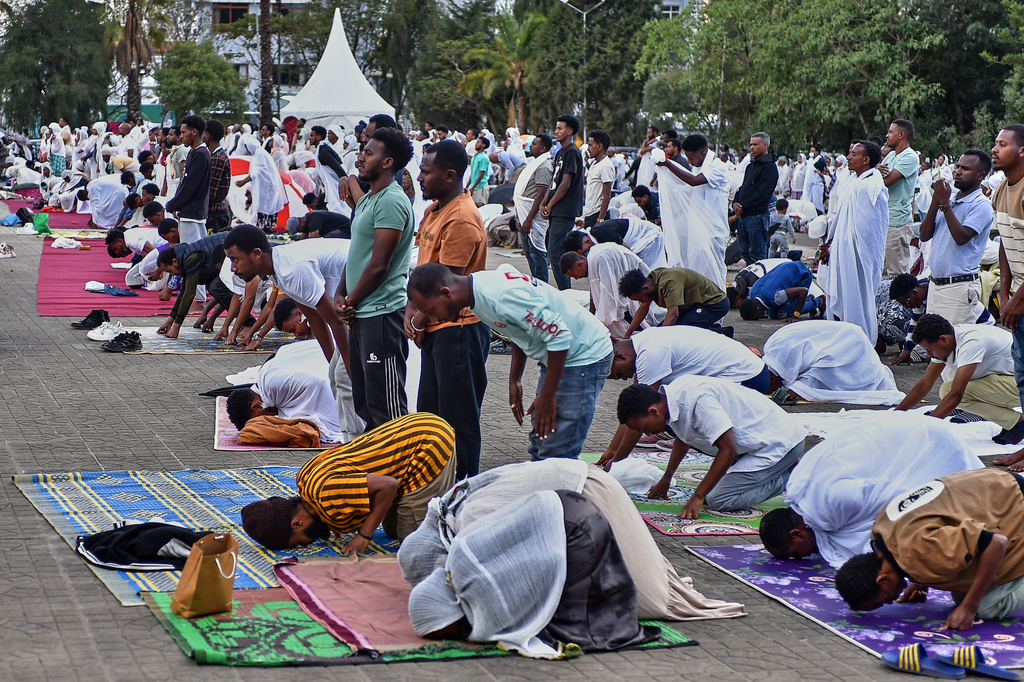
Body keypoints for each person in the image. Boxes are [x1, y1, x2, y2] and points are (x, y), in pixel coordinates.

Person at [400, 459, 745, 628]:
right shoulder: (449, 511)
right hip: (568, 511)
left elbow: (518, 574)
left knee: (651, 603)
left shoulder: (470, 523)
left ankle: (657, 578)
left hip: (591, 493)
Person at [405, 490, 659, 657]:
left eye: (442, 631)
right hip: (567, 505)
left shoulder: (475, 584)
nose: (449, 636)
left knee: (565, 621)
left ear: (445, 610)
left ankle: (611, 627)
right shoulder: (458, 559)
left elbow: (499, 622)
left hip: (574, 528)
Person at [408, 263, 612, 461]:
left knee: (558, 449)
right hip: (559, 357)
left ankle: (561, 489)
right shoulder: (475, 291)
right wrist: (515, 378)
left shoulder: (500, 296)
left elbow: (559, 337)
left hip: (583, 355)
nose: (433, 318)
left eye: (431, 311)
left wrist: (548, 396)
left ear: (445, 293)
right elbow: (516, 327)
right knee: (541, 439)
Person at [759, 413, 983, 568]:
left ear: (797, 534)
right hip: (907, 430)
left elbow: (897, 503)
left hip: (928, 441)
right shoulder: (797, 490)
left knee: (961, 495)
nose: (805, 556)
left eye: (797, 554)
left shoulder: (829, 505)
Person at [834, 468, 1024, 632]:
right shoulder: (880, 532)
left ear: (883, 579)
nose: (892, 602)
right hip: (995, 486)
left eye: (885, 600)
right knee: (961, 591)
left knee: (986, 607)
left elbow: (996, 544)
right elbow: (930, 522)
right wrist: (920, 579)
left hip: (1013, 503)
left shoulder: (920, 552)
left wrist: (969, 607)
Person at [240, 413, 456, 554]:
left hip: (428, 443)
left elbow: (388, 485)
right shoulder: (305, 482)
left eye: (300, 542)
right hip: (414, 429)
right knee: (392, 530)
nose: (308, 543)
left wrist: (364, 536)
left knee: (415, 548)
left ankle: (468, 520)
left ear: (296, 523)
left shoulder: (327, 494)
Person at [223, 225, 364, 438]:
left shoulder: (292, 269)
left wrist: (349, 371)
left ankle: (359, 443)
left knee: (345, 380)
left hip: (372, 279)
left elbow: (335, 323)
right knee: (337, 374)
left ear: (257, 254)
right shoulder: (279, 271)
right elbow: (315, 318)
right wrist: (331, 362)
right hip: (353, 293)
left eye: (235, 259)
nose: (233, 267)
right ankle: (356, 439)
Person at [405, 140, 489, 479]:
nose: (420, 178)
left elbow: (447, 286)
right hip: (436, 326)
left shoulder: (462, 218)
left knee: (459, 422)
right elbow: (424, 269)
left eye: (427, 172)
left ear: (450, 175)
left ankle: (463, 488)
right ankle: (435, 485)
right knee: (431, 416)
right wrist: (412, 310)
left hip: (459, 328)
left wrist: (419, 317)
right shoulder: (435, 209)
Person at [616, 378, 806, 515]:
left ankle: (789, 476)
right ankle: (779, 469)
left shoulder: (697, 401)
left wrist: (698, 496)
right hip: (754, 444)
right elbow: (684, 436)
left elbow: (728, 450)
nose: (648, 434)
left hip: (780, 443)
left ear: (653, 411)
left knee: (718, 499)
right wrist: (667, 476)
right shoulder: (671, 399)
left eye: (644, 428)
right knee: (710, 491)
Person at [337, 127, 416, 431]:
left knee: (387, 407)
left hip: (381, 315)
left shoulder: (392, 202)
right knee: (366, 402)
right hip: (361, 313)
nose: (361, 157)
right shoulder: (370, 199)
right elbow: (357, 254)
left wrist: (351, 300)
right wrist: (339, 294)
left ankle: (398, 473)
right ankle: (377, 471)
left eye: (369, 153)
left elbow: (379, 264)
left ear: (387, 162)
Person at [598, 326, 770, 467]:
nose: (625, 378)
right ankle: (737, 458)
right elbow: (633, 412)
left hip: (747, 375)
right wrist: (613, 450)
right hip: (745, 370)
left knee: (675, 418)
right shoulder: (644, 341)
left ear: (620, 357)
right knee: (676, 417)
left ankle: (749, 461)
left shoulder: (651, 353)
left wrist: (617, 463)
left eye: (619, 374)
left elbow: (640, 411)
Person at [896, 314, 1024, 439]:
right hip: (1013, 381)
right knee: (947, 390)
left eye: (930, 350)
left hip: (1020, 384)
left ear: (943, 339)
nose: (929, 355)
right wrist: (896, 415)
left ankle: (1017, 422)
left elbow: (956, 395)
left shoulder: (971, 342)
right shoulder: (947, 341)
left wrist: (928, 428)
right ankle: (1014, 422)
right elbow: (925, 384)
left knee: (954, 393)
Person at [821, 140, 888, 344]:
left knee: (860, 295)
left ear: (865, 160)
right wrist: (831, 242)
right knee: (843, 294)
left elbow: (873, 230)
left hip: (859, 255)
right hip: (843, 250)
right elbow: (842, 216)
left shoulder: (872, 187)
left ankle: (862, 342)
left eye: (854, 154)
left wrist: (856, 251)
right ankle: (843, 340)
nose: (848, 157)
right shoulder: (853, 181)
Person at [917, 150, 994, 327]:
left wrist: (945, 205)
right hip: (936, 284)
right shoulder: (950, 198)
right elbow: (924, 234)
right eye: (958, 167)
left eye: (965, 169)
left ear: (980, 175)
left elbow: (961, 237)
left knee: (955, 343)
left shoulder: (981, 205)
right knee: (936, 346)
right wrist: (936, 201)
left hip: (958, 287)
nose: (958, 172)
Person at [225, 339, 349, 444]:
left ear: (256, 406)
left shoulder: (274, 387)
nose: (272, 418)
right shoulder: (265, 379)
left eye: (262, 419)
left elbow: (318, 383)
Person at [762, 320, 904, 404]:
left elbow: (826, 366)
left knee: (835, 374)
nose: (774, 391)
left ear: (772, 377)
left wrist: (800, 388)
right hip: (834, 339)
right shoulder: (772, 351)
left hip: (850, 341)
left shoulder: (781, 350)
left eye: (772, 388)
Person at [655, 134, 730, 289]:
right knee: (699, 271)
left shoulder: (718, 167)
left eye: (691, 158)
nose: (689, 162)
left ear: (703, 153)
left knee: (714, 271)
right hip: (699, 229)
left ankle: (718, 307)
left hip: (714, 230)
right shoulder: (699, 166)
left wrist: (667, 164)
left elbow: (694, 182)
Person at [889, 273, 995, 366]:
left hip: (984, 329)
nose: (907, 308)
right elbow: (914, 324)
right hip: (962, 328)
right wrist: (907, 349)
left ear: (915, 293)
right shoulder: (920, 297)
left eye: (906, 303)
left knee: (936, 355)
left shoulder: (937, 294)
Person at [560, 243, 664, 337]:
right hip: (628, 285)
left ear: (580, 264)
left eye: (574, 275)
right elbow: (594, 293)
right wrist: (592, 317)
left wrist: (598, 322)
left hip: (637, 283)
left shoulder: (599, 258)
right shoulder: (592, 259)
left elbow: (609, 294)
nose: (576, 279)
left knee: (619, 312)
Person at [165, 115, 212, 309]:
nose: (181, 136)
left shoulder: (201, 154)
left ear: (194, 132)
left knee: (192, 257)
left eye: (184, 132)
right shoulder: (194, 152)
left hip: (193, 213)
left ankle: (199, 300)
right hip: (190, 211)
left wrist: (173, 204)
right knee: (193, 254)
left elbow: (190, 187)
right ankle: (197, 298)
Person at [155, 231, 231, 339]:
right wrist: (169, 321)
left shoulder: (192, 257)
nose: (172, 274)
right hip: (229, 248)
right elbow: (183, 292)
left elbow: (189, 294)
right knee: (215, 288)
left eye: (170, 270)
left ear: (174, 261)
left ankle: (247, 323)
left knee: (217, 287)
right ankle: (246, 323)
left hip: (238, 245)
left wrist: (176, 327)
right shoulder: (184, 258)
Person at [540, 115, 585, 290]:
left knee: (555, 252)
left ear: (569, 131)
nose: (556, 131)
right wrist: (544, 202)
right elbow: (554, 182)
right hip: (555, 207)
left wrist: (550, 206)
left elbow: (565, 184)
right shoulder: (560, 152)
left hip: (564, 209)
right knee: (554, 251)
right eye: (556, 128)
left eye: (560, 128)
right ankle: (564, 289)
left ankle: (566, 292)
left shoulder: (573, 152)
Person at [618, 266, 731, 336]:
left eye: (639, 299)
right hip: (694, 306)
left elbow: (673, 313)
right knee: (658, 331)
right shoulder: (652, 281)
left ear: (645, 288)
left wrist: (660, 340)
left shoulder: (668, 282)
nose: (642, 301)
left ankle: (721, 333)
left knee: (680, 332)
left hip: (715, 304)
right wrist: (627, 335)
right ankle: (710, 328)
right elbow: (643, 309)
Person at [879, 120, 920, 276]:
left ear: (901, 135)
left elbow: (885, 182)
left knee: (896, 272)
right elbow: (877, 176)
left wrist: (875, 173)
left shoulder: (910, 157)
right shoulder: (890, 155)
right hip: (884, 218)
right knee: (881, 269)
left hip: (897, 221)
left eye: (890, 132)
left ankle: (899, 302)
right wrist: (876, 170)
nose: (887, 135)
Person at [732, 132, 779, 264]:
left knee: (757, 255)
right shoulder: (750, 166)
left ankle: (759, 284)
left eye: (755, 144)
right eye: (751, 144)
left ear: (765, 145)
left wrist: (744, 206)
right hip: (744, 217)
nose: (752, 147)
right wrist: (736, 203)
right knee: (746, 253)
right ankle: (749, 283)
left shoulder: (770, 168)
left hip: (757, 217)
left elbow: (762, 194)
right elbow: (743, 188)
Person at [513, 133, 553, 281]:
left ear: (542, 148)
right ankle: (536, 282)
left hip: (532, 217)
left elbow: (540, 196)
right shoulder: (534, 163)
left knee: (537, 252)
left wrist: (529, 219)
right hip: (523, 215)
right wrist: (519, 217)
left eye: (534, 144)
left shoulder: (543, 166)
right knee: (529, 252)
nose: (531, 146)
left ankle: (542, 284)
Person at [737, 260, 822, 322]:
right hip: (788, 267)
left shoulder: (776, 297)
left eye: (757, 317)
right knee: (773, 314)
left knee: (785, 314)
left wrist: (795, 315)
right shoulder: (752, 293)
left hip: (803, 274)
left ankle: (818, 301)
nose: (760, 317)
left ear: (758, 309)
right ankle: (807, 300)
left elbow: (803, 291)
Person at [235, 134, 286, 232]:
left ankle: (266, 227)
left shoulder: (260, 154)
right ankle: (264, 226)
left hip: (267, 186)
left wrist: (244, 181)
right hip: (264, 186)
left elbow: (259, 171)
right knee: (264, 207)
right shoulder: (258, 153)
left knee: (266, 206)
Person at [573, 216, 666, 269]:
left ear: (587, 241)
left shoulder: (603, 233)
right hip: (636, 243)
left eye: (586, 252)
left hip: (647, 239)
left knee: (648, 274)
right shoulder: (595, 236)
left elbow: (628, 252)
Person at [309, 125, 349, 217]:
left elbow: (337, 167)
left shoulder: (323, 151)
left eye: (312, 136)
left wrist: (344, 178)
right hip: (331, 184)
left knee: (339, 207)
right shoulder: (322, 149)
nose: (310, 138)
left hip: (335, 184)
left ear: (318, 137)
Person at [580, 129, 614, 228]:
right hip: (589, 214)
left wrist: (601, 219)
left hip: (598, 215)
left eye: (590, 145)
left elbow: (607, 196)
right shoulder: (595, 164)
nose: (588, 149)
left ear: (599, 146)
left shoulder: (606, 165)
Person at [204, 119, 232, 233]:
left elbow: (210, 191)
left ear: (208, 136)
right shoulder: (216, 155)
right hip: (215, 213)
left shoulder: (217, 158)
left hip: (214, 214)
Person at [468, 137, 491, 205]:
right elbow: (473, 173)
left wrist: (473, 187)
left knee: (480, 205)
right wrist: (467, 186)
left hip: (481, 186)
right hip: (474, 186)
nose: (476, 144)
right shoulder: (475, 157)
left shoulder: (483, 157)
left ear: (483, 145)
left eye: (478, 142)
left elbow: (481, 174)